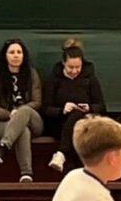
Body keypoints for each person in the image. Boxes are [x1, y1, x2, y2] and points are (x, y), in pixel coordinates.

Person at [43, 45, 107, 174]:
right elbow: (45, 109)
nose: (74, 71)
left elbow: (101, 107)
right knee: (75, 122)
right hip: (59, 124)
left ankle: (61, 153)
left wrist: (89, 107)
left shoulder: (90, 79)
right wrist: (62, 110)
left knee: (78, 115)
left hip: (85, 124)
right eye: (70, 67)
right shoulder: (53, 80)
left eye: (78, 67)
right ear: (63, 64)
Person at [0, 39, 43, 183]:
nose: (16, 55)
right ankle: (26, 174)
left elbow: (37, 102)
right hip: (3, 122)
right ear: (5, 56)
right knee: (22, 131)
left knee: (24, 110)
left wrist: (19, 112)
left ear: (24, 55)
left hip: (32, 120)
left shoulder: (31, 74)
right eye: (12, 52)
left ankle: (4, 146)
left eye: (19, 52)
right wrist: (9, 114)